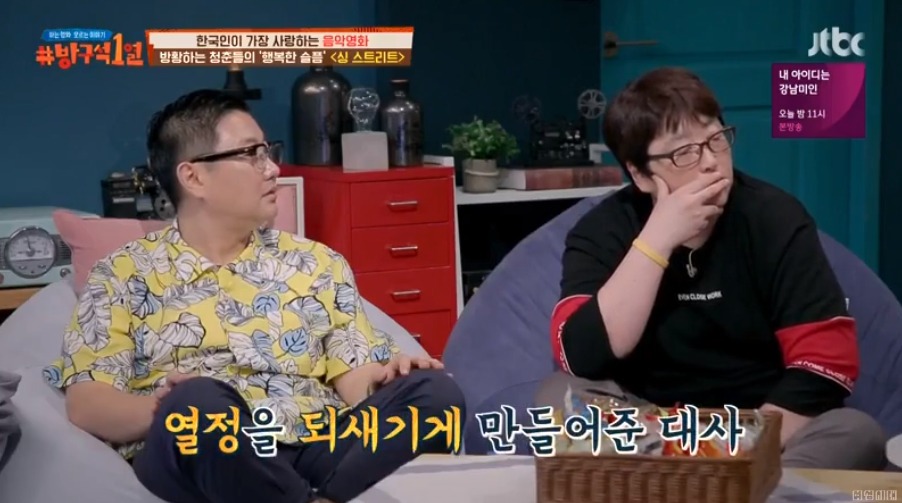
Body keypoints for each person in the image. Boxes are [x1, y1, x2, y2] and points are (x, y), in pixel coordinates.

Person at [43, 89, 466, 503]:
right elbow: (88, 404)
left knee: (436, 395)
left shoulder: (316, 263)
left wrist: (391, 378)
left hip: (316, 441)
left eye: (268, 151)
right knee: (197, 402)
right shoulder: (121, 274)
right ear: (193, 177)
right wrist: (160, 407)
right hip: (204, 445)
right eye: (251, 154)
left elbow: (354, 376)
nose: (273, 169)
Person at [540, 67, 886, 470]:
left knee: (856, 432)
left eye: (716, 139)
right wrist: (657, 240)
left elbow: (826, 366)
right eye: (684, 152)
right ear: (640, 174)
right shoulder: (602, 230)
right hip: (650, 426)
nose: (710, 163)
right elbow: (580, 356)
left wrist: (740, 446)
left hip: (761, 425)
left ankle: (736, 487)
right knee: (557, 396)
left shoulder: (774, 218)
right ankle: (672, 477)